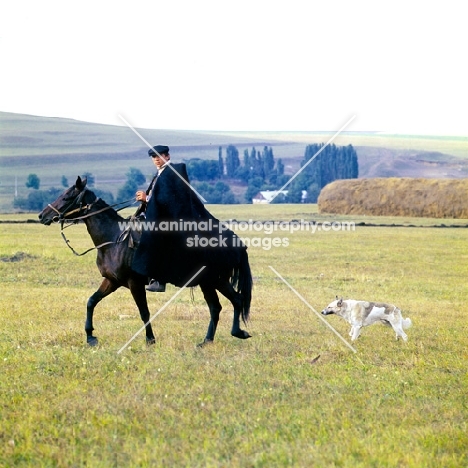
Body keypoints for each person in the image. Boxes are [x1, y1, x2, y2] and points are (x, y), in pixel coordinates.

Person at [132, 145, 238, 292]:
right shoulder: (161, 174)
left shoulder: (174, 172)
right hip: (162, 217)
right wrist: (146, 199)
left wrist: (148, 198)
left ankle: (159, 279)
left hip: (175, 219)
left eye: (159, 156)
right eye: (154, 157)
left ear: (167, 156)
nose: (156, 159)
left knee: (156, 239)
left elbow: (170, 199)